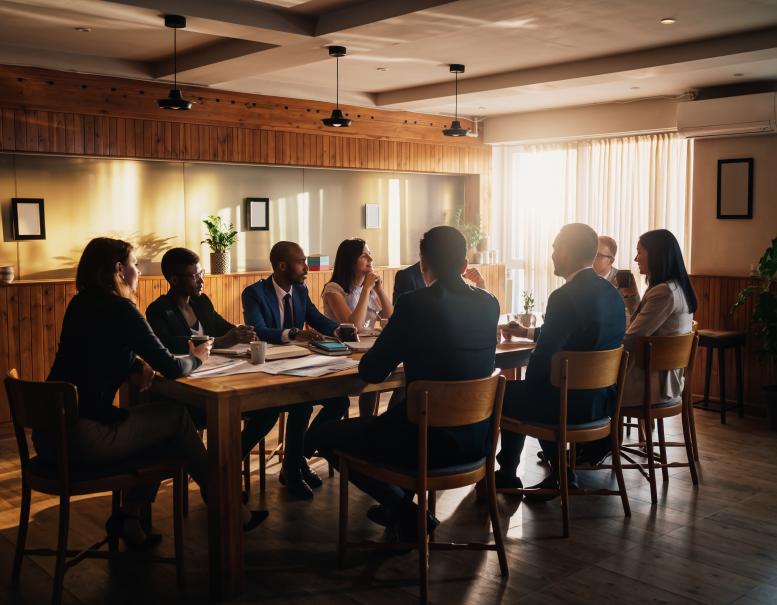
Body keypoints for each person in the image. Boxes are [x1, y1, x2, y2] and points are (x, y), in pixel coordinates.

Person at [34, 238, 265, 552]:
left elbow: (95, 352)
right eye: (135, 264)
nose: (139, 271)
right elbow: (171, 366)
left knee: (162, 424)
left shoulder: (81, 303)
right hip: (83, 438)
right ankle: (228, 506)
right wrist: (199, 356)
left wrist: (136, 364)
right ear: (119, 269)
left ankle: (130, 516)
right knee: (175, 418)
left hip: (49, 438)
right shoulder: (122, 307)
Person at [315, 226, 500, 542]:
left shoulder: (415, 303)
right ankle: (399, 514)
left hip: (424, 442)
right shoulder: (489, 302)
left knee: (323, 434)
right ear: (464, 265)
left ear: (423, 262)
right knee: (382, 426)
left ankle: (406, 511)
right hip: (477, 441)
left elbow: (373, 372)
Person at [495, 223, 626, 497]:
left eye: (554, 248)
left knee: (503, 392)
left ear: (565, 251)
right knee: (543, 389)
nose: (552, 254)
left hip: (571, 406)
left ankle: (507, 474)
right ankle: (562, 471)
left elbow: (542, 357)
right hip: (604, 403)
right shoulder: (612, 293)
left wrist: (533, 387)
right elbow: (585, 334)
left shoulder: (565, 296)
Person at [146, 247, 299, 477]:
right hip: (185, 394)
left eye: (202, 273)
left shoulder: (202, 303)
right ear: (174, 279)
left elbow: (222, 326)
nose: (201, 280)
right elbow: (166, 343)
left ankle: (225, 465)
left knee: (268, 410)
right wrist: (218, 341)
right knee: (225, 415)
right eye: (195, 276)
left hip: (217, 382)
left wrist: (241, 331)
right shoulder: (159, 310)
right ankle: (220, 474)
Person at [241, 241, 350, 499]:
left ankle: (298, 456)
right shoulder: (254, 293)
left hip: (300, 367)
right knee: (302, 404)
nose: (307, 268)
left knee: (340, 401)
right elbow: (258, 331)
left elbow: (315, 317)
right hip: (268, 371)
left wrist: (337, 329)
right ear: (282, 266)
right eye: (301, 262)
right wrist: (293, 333)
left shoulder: (300, 289)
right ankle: (291, 469)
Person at [322, 238, 395, 417]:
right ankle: (367, 424)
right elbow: (354, 327)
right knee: (374, 372)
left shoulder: (369, 289)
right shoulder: (334, 289)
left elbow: (392, 320)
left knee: (403, 380)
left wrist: (379, 290)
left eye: (370, 255)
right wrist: (366, 289)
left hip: (367, 348)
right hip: (343, 351)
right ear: (350, 260)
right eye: (364, 256)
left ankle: (381, 425)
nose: (370, 259)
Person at [593, 235, 641, 317]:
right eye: (591, 254)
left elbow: (632, 316)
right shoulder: (581, 277)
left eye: (598, 255)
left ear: (611, 261)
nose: (592, 259)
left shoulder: (622, 282)